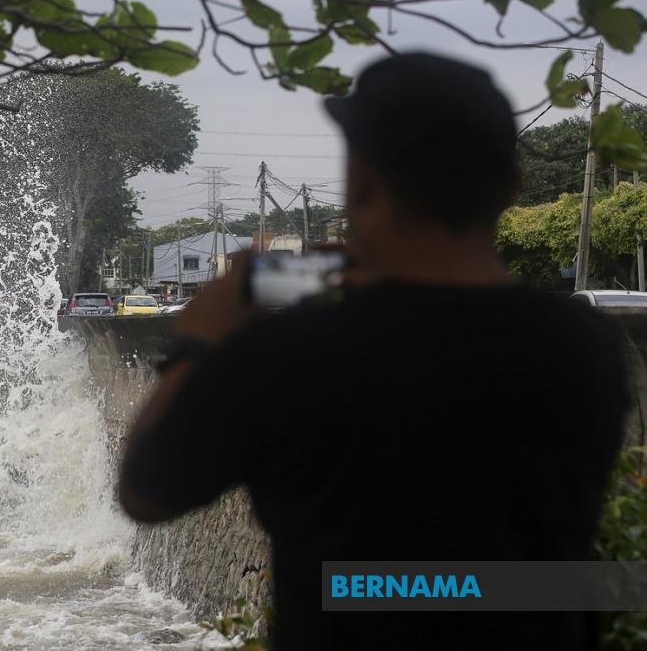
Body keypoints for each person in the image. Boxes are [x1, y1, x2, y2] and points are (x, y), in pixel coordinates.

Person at [118, 53, 630, 650]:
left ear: (361, 182)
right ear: (510, 188)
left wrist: (198, 339)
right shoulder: (586, 345)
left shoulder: (288, 356)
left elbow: (145, 491)